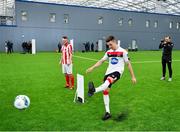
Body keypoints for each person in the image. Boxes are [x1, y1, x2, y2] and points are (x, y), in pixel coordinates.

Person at [86, 36, 136, 120]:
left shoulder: (123, 52)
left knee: (108, 82)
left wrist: (133, 77)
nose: (109, 47)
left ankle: (94, 90)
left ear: (114, 41)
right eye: (108, 45)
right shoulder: (109, 52)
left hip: (117, 72)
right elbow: (101, 61)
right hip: (108, 72)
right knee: (105, 91)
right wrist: (92, 67)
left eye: (110, 44)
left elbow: (128, 64)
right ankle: (107, 113)